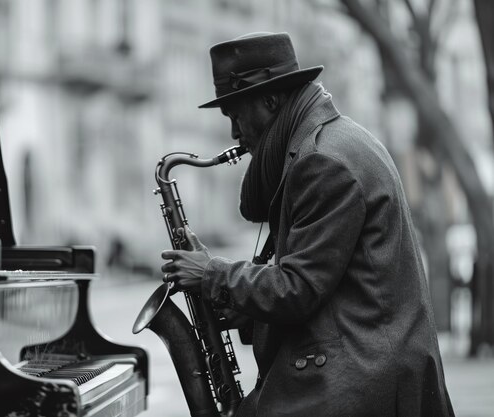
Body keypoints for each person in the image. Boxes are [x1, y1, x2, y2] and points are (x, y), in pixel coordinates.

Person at [160, 32, 455, 417]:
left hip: (367, 381)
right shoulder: (331, 141)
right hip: (367, 363)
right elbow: (336, 285)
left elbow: (298, 288)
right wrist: (246, 311)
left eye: (235, 115)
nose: (234, 133)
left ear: (269, 101)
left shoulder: (323, 161)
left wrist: (212, 274)